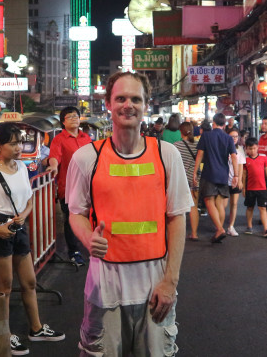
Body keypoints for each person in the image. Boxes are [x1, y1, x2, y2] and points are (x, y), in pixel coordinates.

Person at [66, 71, 190, 356]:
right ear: (108, 103)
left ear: (146, 104)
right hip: (104, 289)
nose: (128, 105)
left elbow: (177, 218)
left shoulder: (166, 155)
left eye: (135, 99)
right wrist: (87, 238)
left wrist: (170, 281)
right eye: (120, 98)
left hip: (155, 288)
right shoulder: (87, 158)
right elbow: (76, 213)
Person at [0, 123, 65, 356]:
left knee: (29, 282)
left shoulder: (22, 167)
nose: (18, 147)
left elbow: (30, 199)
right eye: (13, 143)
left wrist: (24, 214)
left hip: (19, 229)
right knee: (5, 286)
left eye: (20, 142)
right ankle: (5, 335)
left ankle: (36, 328)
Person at [45, 106, 93, 266]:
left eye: (76, 116)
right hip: (69, 188)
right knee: (71, 220)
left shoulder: (86, 138)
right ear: (63, 122)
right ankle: (74, 252)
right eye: (69, 117)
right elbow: (54, 157)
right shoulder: (59, 140)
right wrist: (53, 166)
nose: (74, 118)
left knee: (90, 217)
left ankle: (90, 247)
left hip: (89, 187)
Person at [193, 113, 239, 243]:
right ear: (224, 125)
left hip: (209, 173)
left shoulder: (206, 136)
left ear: (213, 123)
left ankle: (219, 229)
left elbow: (200, 155)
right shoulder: (228, 138)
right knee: (219, 203)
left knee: (208, 201)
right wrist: (236, 175)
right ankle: (219, 229)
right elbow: (234, 157)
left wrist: (195, 172)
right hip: (223, 174)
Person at [242, 137, 267, 236]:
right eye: (250, 148)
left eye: (254, 148)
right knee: (250, 207)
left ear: (257, 148)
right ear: (246, 149)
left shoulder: (263, 157)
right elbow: (244, 175)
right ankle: (249, 226)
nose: (252, 151)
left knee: (263, 208)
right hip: (250, 188)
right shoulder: (245, 159)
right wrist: (244, 188)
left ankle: (266, 229)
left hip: (262, 188)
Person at [174, 122, 201, 241]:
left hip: (182, 179)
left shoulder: (176, 145)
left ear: (181, 132)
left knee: (180, 208)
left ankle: (178, 234)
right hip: (196, 179)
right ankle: (194, 233)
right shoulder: (198, 144)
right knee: (193, 206)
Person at [224, 128, 246, 237]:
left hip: (235, 179)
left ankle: (231, 226)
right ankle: (219, 226)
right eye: (232, 136)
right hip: (223, 180)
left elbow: (241, 165)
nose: (234, 139)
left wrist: (240, 179)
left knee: (234, 204)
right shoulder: (223, 148)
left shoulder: (240, 149)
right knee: (223, 204)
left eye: (236, 136)